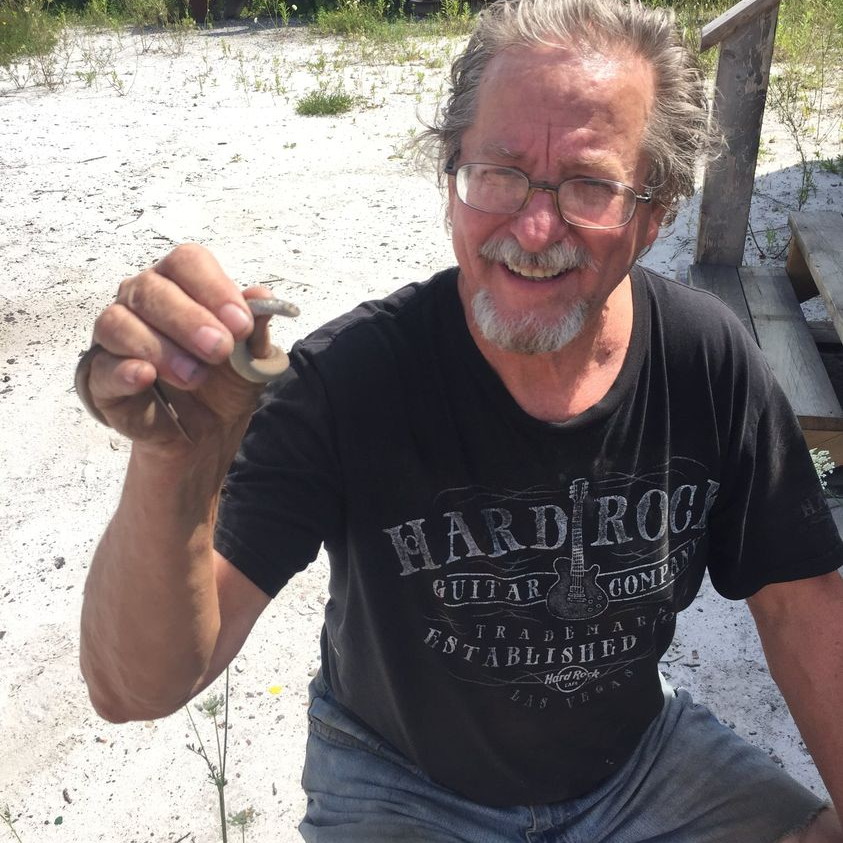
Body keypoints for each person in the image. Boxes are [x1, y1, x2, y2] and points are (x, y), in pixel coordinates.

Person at [77, 0, 843, 840]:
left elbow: (799, 603)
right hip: (399, 777)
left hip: (635, 763)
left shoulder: (705, 360)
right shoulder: (351, 379)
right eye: (498, 172)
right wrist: (173, 465)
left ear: (653, 215)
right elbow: (134, 687)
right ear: (450, 182)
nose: (535, 229)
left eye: (590, 185)